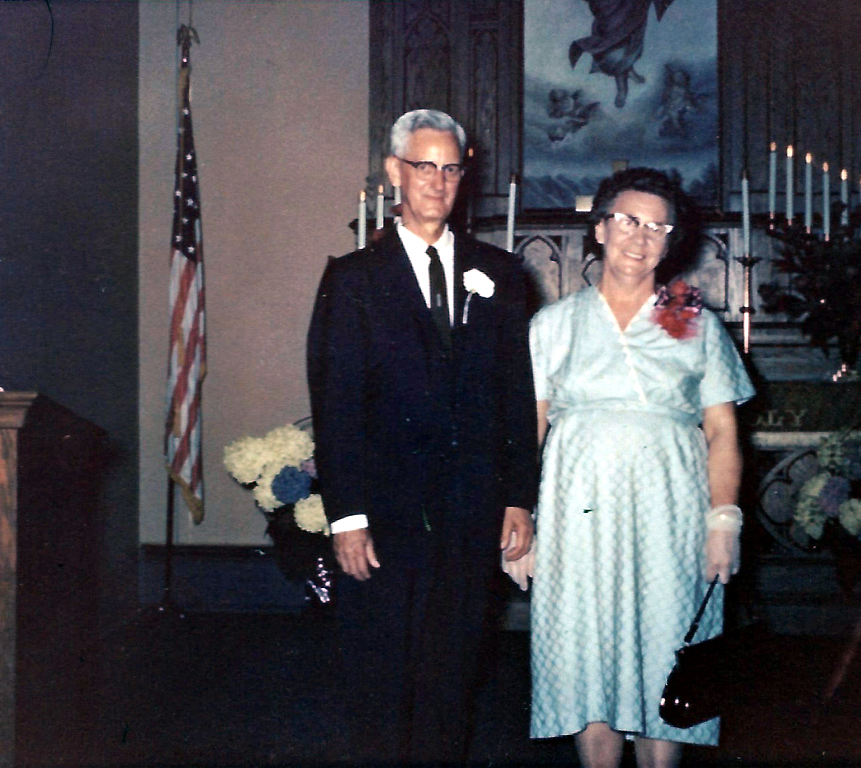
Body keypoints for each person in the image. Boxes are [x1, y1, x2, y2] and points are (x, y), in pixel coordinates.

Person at [306, 109, 538, 765]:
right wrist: (347, 515)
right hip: (384, 514)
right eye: (422, 166)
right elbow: (337, 402)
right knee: (381, 676)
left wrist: (518, 496)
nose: (437, 182)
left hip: (470, 511)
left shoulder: (502, 273)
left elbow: (516, 394)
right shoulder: (353, 278)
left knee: (452, 675)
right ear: (393, 174)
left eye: (450, 168)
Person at [525, 168, 755, 768]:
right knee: (586, 656)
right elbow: (532, 429)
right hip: (577, 515)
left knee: (666, 651)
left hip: (670, 513)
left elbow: (724, 429)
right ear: (599, 229)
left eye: (657, 226)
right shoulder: (554, 324)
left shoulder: (689, 317)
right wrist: (519, 521)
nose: (640, 236)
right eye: (628, 220)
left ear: (671, 240)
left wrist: (722, 521)